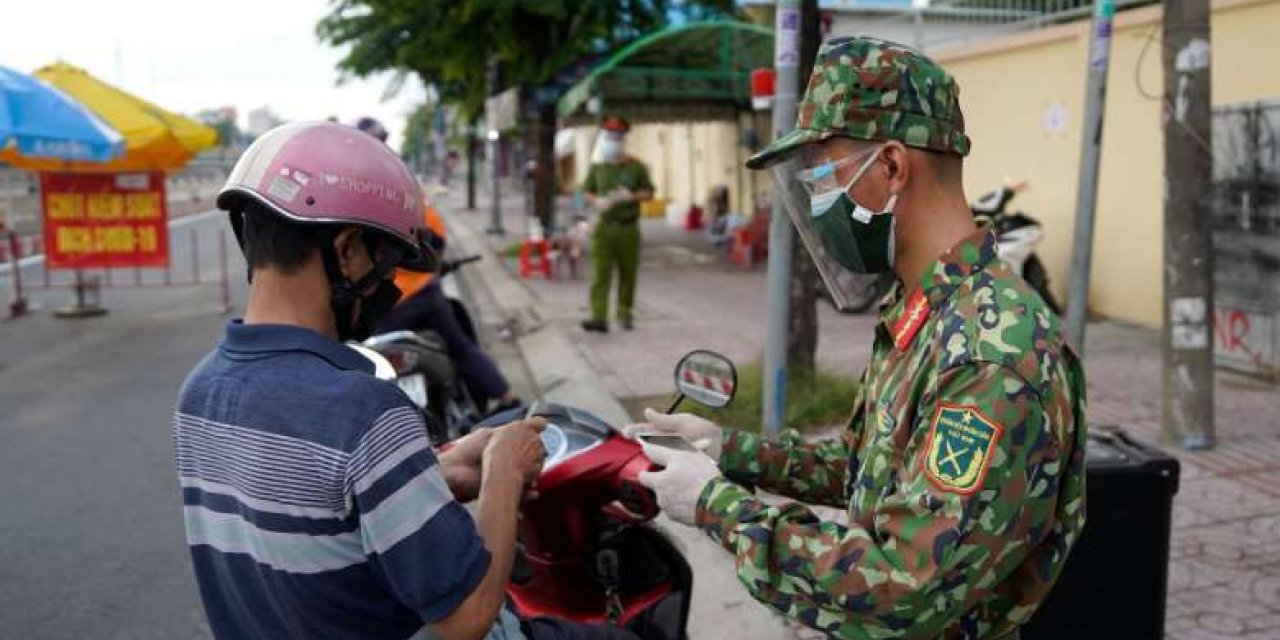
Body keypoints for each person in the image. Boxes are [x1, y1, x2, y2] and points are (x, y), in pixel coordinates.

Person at [626, 37, 1087, 640]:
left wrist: (721, 508)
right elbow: (866, 466)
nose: (818, 201)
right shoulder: (926, 308)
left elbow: (908, 585)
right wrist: (727, 451)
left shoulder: (992, 354)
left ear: (893, 167)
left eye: (823, 175)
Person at [173, 121, 636, 640]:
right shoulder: (366, 410)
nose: (389, 286)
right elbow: (466, 618)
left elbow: (316, 515)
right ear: (347, 250)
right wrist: (504, 472)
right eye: (387, 263)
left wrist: (440, 474)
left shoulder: (199, 392)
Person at [352, 116, 519, 411]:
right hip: (425, 294)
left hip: (382, 307)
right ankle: (507, 398)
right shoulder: (400, 184)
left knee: (364, 363)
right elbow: (436, 241)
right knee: (462, 347)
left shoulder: (351, 192)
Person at [580, 115, 654, 333]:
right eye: (609, 136)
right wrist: (597, 200)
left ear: (623, 140)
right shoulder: (598, 167)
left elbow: (649, 193)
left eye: (617, 136)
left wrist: (631, 196)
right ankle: (599, 317)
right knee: (601, 274)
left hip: (627, 227)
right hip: (603, 227)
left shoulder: (636, 167)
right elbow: (587, 192)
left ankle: (624, 313)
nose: (613, 140)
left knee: (627, 273)